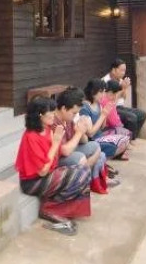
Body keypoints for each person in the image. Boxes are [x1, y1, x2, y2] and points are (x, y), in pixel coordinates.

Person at [15, 97, 91, 235]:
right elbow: (42, 171)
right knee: (80, 174)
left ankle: (60, 206)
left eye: (52, 110)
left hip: (48, 173)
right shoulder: (31, 136)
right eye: (49, 111)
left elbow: (59, 153)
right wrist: (55, 142)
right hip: (33, 182)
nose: (53, 114)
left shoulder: (48, 129)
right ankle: (50, 209)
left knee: (84, 171)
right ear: (39, 115)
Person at [55, 87, 117, 194]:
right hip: (57, 158)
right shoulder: (53, 121)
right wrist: (79, 133)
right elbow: (64, 151)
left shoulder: (68, 118)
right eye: (74, 113)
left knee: (96, 147)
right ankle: (82, 179)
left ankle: (85, 177)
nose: (75, 115)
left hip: (70, 150)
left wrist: (82, 129)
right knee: (80, 157)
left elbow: (84, 141)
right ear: (64, 108)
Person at [79, 78, 131, 168]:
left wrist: (105, 114)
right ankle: (100, 163)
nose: (103, 95)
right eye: (101, 92)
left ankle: (102, 162)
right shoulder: (85, 108)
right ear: (93, 92)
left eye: (104, 92)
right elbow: (90, 133)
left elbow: (102, 127)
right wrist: (103, 115)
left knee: (125, 139)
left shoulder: (98, 104)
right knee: (117, 145)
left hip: (100, 135)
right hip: (92, 141)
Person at [102, 59, 146, 139]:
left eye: (124, 70)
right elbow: (110, 100)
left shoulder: (120, 80)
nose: (123, 73)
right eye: (121, 70)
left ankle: (132, 137)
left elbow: (124, 97)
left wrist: (125, 88)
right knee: (132, 117)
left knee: (142, 114)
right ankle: (128, 139)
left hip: (120, 107)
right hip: (111, 108)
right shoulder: (105, 81)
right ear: (113, 70)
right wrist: (123, 88)